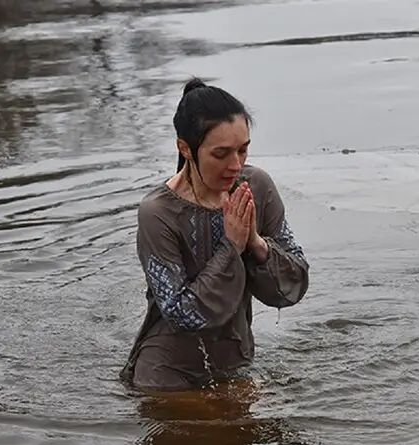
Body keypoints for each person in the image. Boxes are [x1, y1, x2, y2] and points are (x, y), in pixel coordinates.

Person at [119, 78, 310, 392]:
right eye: (221, 154)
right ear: (186, 148)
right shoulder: (157, 213)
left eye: (243, 150)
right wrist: (231, 245)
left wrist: (256, 243)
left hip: (236, 365)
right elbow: (182, 314)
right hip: (166, 378)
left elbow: (296, 281)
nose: (235, 165)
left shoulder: (256, 188)